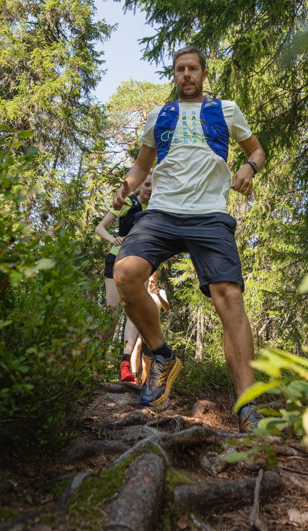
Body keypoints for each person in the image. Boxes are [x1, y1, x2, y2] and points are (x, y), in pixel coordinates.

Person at [111, 45, 266, 432]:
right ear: (174, 75)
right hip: (161, 211)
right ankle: (162, 355)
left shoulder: (226, 110)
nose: (186, 75)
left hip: (209, 215)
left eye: (192, 68)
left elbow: (258, 151)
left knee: (229, 298)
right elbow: (141, 165)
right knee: (126, 272)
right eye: (180, 69)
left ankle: (247, 407)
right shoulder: (158, 116)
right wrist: (125, 188)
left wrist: (248, 167)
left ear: (203, 73)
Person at [95, 173, 155, 382]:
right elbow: (99, 227)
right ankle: (96, 364)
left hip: (141, 264)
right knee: (112, 312)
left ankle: (125, 367)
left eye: (154, 186)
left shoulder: (158, 208)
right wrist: (114, 238)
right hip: (117, 260)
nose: (149, 189)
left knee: (135, 314)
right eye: (147, 184)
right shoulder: (128, 203)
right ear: (141, 185)